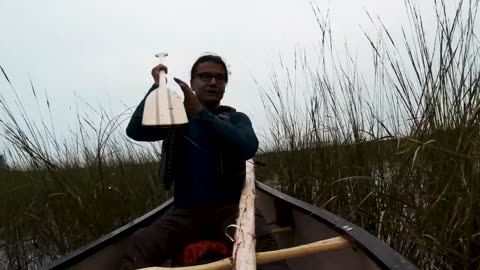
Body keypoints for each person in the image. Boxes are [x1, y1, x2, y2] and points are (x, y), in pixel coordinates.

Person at [121, 54, 290, 269]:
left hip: (230, 209)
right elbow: (135, 131)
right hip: (185, 211)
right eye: (205, 76)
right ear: (192, 83)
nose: (213, 82)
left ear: (224, 86)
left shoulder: (236, 119)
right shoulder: (176, 119)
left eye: (220, 78)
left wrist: (200, 113)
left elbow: (247, 146)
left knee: (264, 246)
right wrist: (157, 88)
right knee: (140, 245)